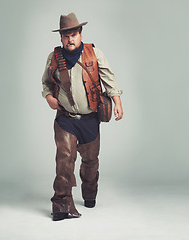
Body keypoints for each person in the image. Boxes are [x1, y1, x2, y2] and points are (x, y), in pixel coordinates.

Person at [42, 13, 123, 221]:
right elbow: (46, 84)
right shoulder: (54, 57)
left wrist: (117, 102)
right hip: (65, 118)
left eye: (74, 34)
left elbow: (109, 78)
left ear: (80, 34)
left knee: (90, 162)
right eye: (66, 35)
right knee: (64, 160)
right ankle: (61, 204)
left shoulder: (94, 54)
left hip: (90, 119)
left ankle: (89, 195)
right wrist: (49, 97)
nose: (70, 39)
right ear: (61, 38)